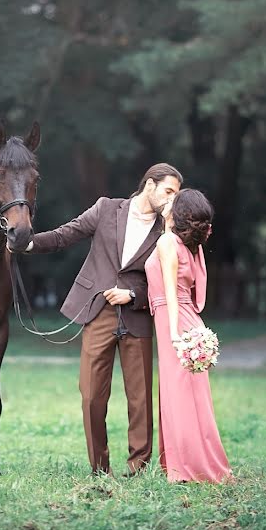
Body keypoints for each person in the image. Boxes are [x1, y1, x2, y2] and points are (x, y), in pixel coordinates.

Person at [18, 163, 182, 476]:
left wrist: (133, 296)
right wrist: (28, 243)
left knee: (140, 398)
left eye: (176, 194)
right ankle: (99, 467)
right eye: (168, 191)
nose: (172, 199)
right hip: (98, 310)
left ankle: (139, 467)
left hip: (137, 315)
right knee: (92, 394)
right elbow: (67, 234)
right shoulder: (107, 209)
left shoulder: (166, 229)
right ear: (150, 184)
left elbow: (171, 278)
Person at [145, 188, 231, 483]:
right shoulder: (188, 246)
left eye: (173, 200)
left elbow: (170, 290)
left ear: (178, 214)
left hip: (176, 320)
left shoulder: (168, 242)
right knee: (189, 396)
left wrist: (173, 334)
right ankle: (184, 462)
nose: (168, 200)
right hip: (187, 318)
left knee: (179, 396)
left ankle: (186, 468)